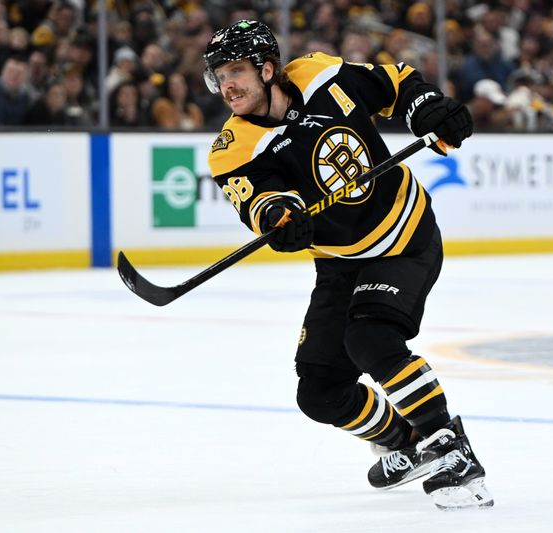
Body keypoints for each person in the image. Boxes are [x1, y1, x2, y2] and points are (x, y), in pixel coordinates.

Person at [203, 20, 492, 510]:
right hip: (340, 263)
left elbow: (396, 84)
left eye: (236, 71)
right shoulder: (232, 150)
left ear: (268, 69)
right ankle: (406, 442)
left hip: (404, 236)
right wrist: (277, 216)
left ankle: (449, 446)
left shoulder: (320, 75)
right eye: (218, 75)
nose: (226, 85)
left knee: (371, 338)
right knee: (319, 391)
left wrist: (428, 109)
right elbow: (259, 200)